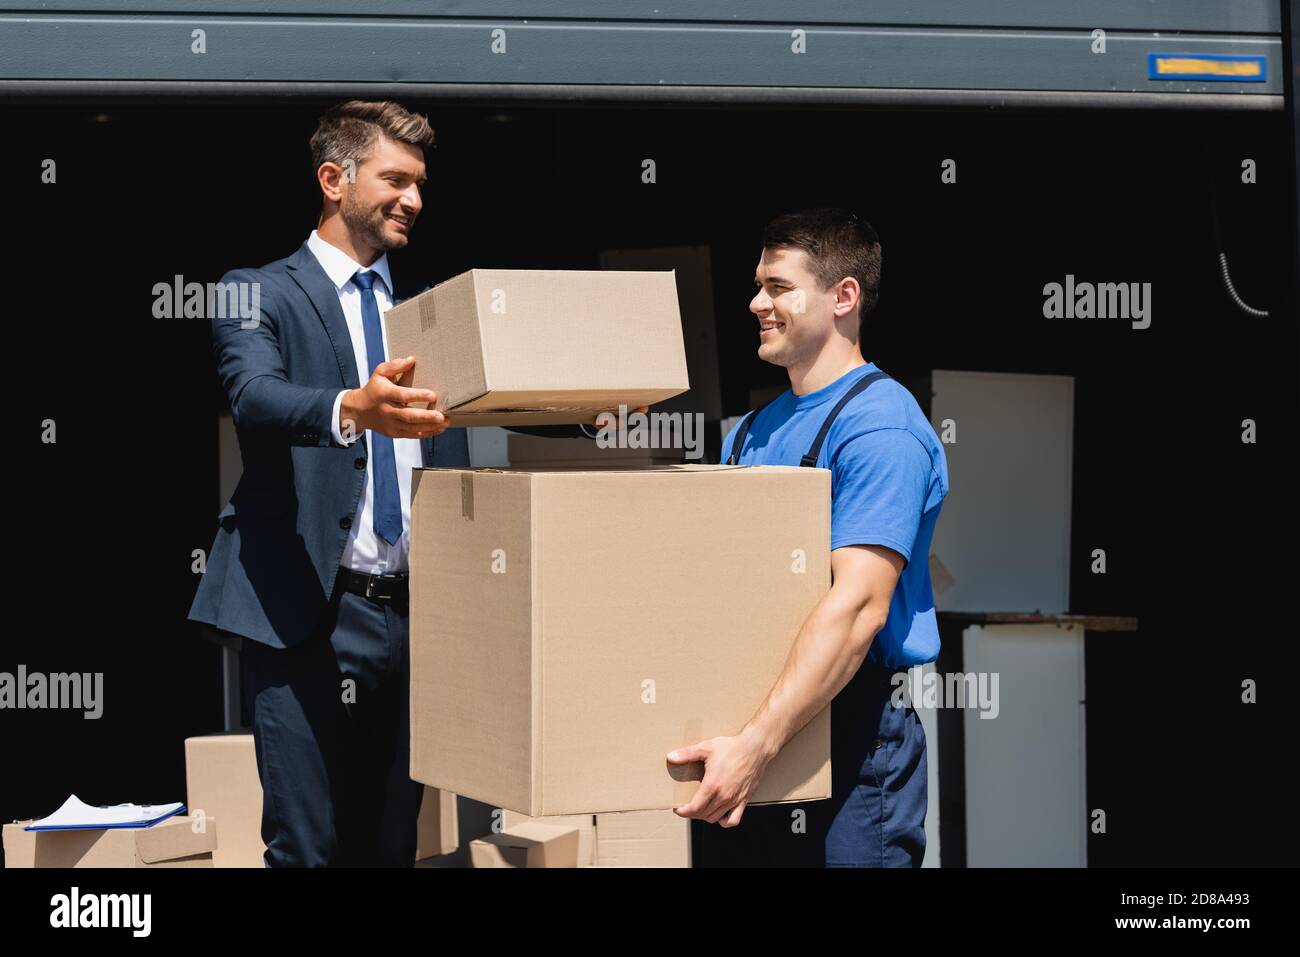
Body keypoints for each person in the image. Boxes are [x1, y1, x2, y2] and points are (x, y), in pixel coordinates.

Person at [188, 100, 625, 866]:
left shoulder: (430, 308)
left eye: (420, 184)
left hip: (417, 615)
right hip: (306, 611)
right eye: (396, 179)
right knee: (307, 847)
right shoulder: (257, 291)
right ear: (333, 179)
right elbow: (254, 398)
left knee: (390, 844)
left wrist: (591, 414)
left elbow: (501, 393)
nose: (414, 200)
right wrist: (354, 407)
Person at [668, 207, 949, 867]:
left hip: (850, 743)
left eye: (778, 286)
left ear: (843, 296)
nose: (756, 302)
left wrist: (757, 746)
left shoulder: (881, 428)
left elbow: (856, 611)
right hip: (745, 732)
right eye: (759, 285)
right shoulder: (750, 430)